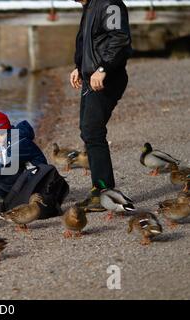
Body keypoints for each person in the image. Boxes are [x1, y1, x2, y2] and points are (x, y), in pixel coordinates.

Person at [70, 0, 132, 210]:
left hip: (107, 78)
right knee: (87, 131)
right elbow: (86, 42)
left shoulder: (110, 3)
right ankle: (101, 190)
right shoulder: (89, 6)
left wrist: (103, 69)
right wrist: (78, 66)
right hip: (91, 78)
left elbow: (120, 38)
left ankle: (104, 191)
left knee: (93, 131)